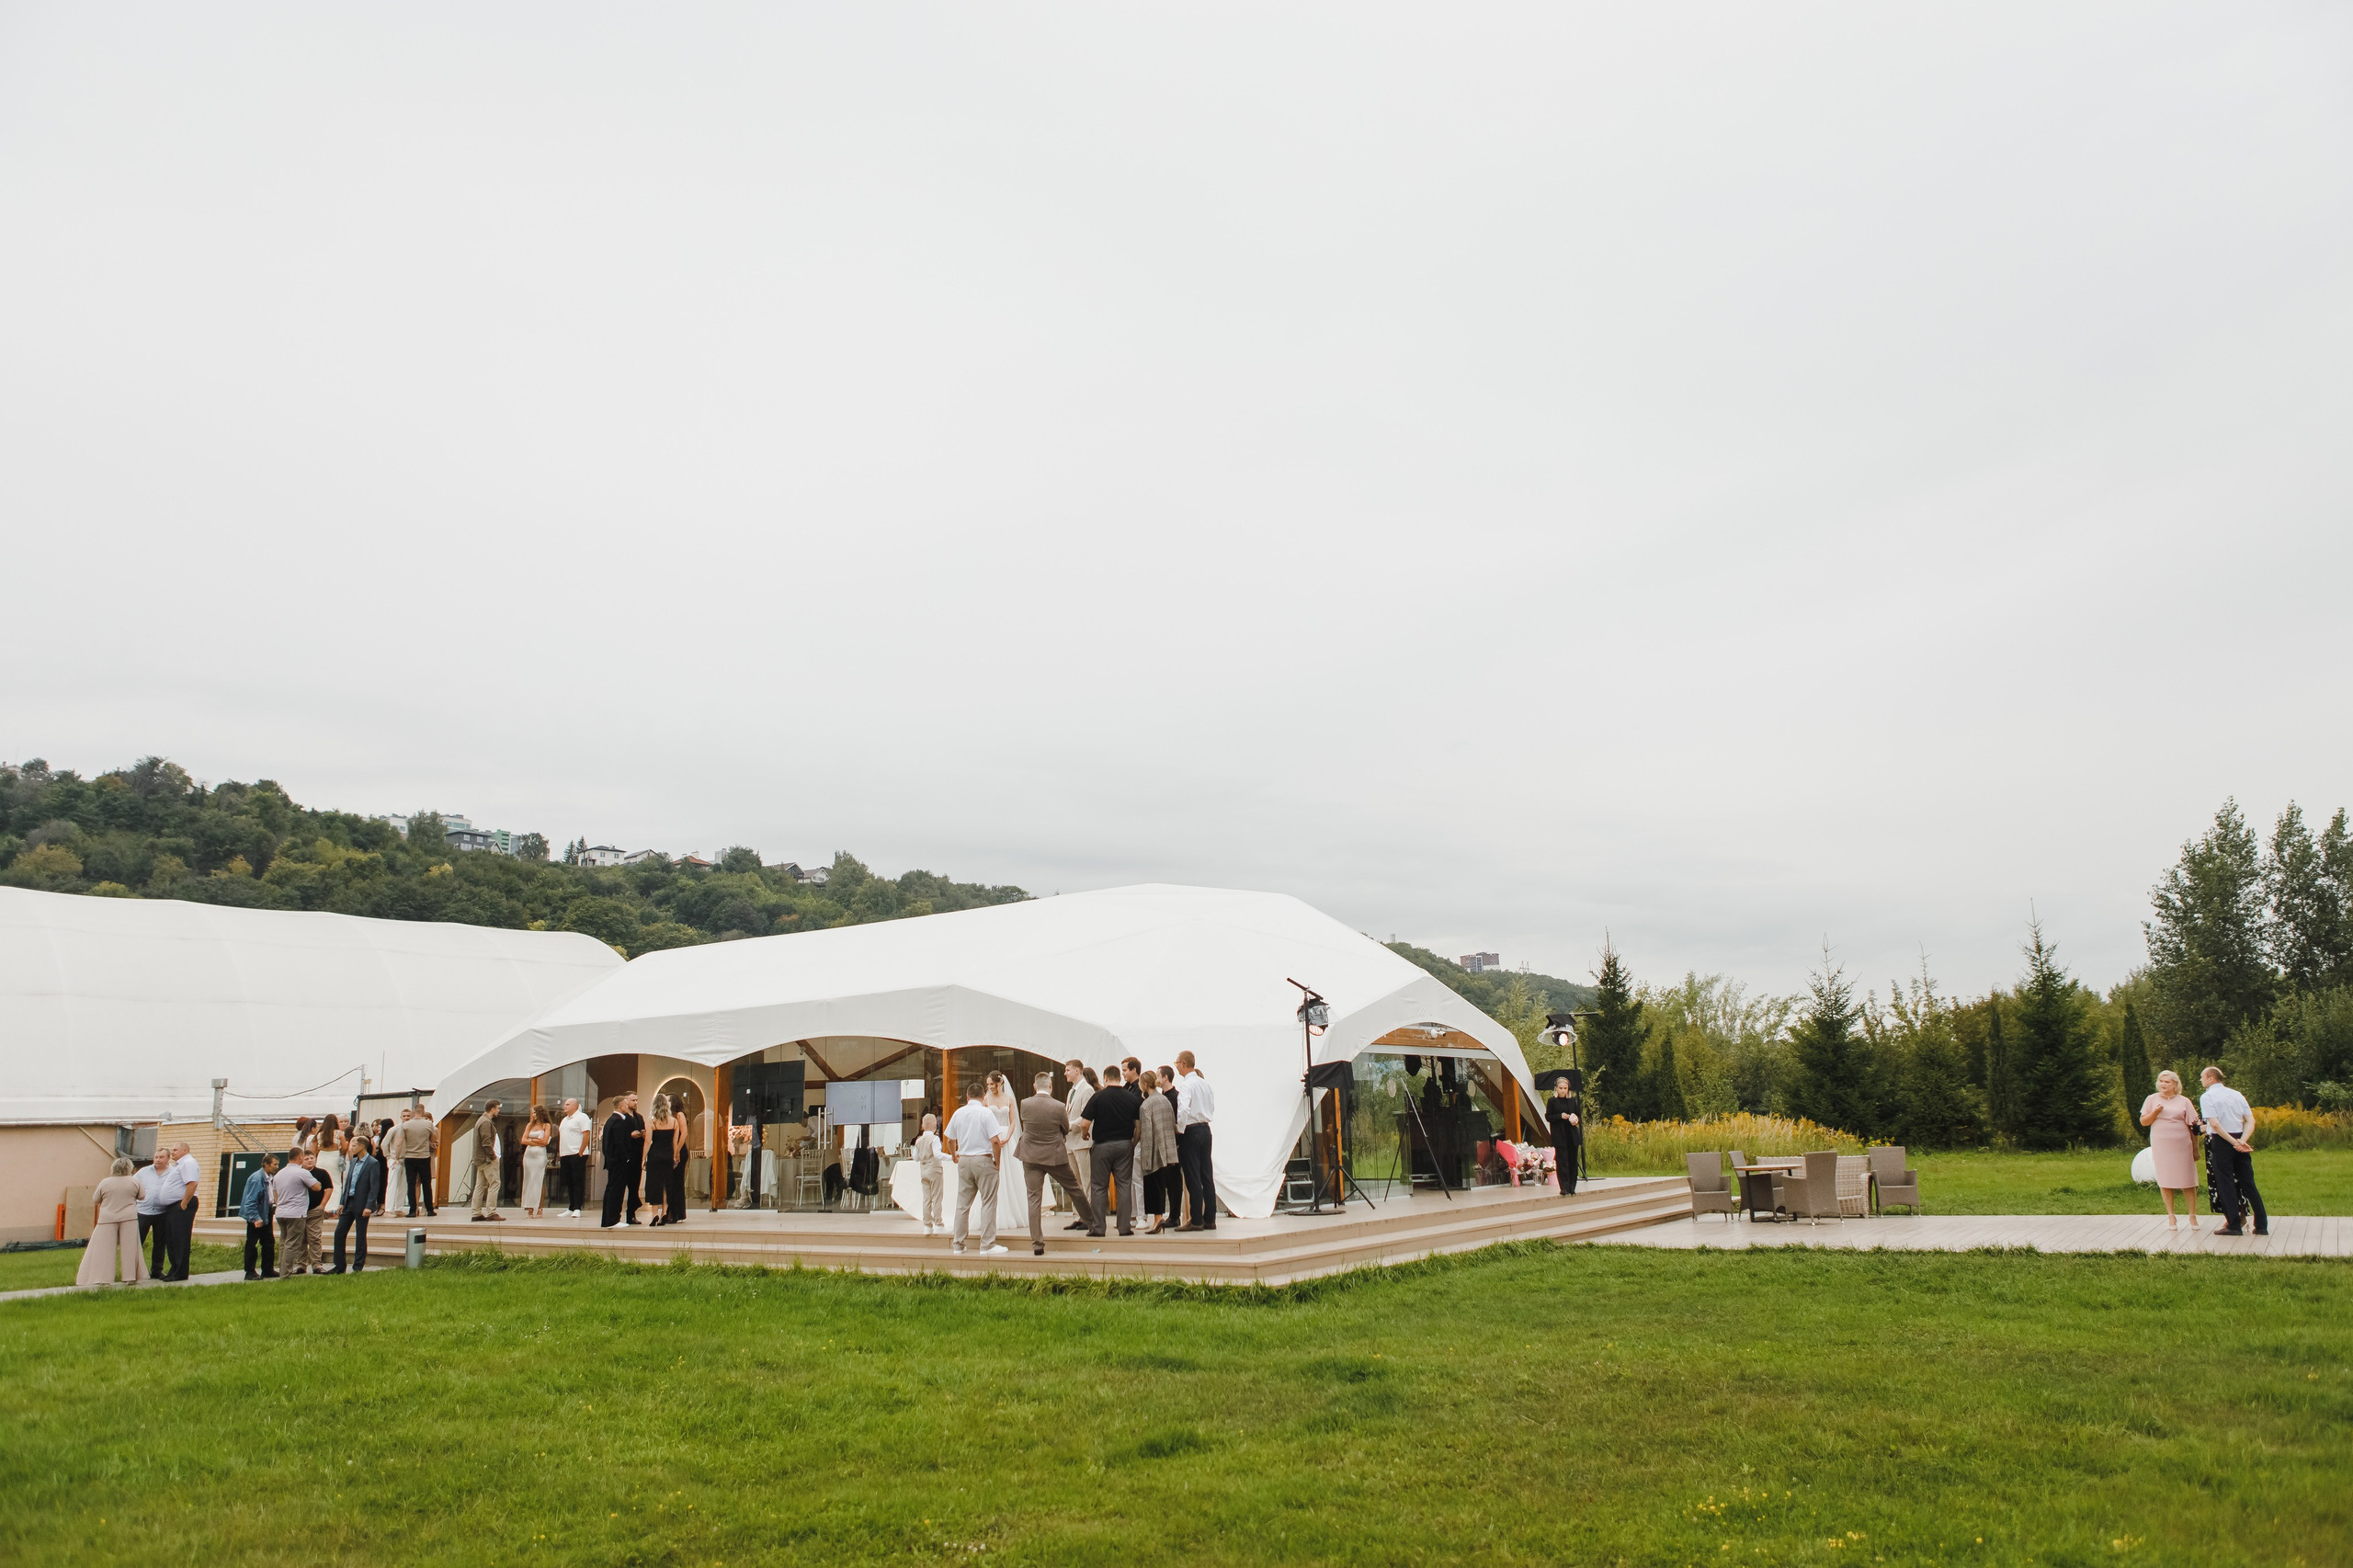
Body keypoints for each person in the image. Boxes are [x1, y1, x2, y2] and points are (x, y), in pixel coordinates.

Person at [1015, 1071, 1097, 1255]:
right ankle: (1093, 1223)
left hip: (1030, 1157)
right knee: (1075, 1189)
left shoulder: (1025, 1104)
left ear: (1034, 1087)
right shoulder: (1059, 1106)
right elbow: (1066, 1128)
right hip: (1055, 1156)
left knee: (1034, 1199)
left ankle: (1037, 1244)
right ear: (1050, 1086)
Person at [2199, 1066, 2267, 1236]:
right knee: (2248, 1182)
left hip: (2222, 1140)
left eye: (2202, 1077)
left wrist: (2232, 1142)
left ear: (2211, 1078)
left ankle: (2234, 1224)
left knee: (2225, 1182)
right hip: (2239, 1137)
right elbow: (2250, 1120)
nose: (2201, 1080)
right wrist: (2242, 1141)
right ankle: (2261, 1224)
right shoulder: (2236, 1094)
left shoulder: (2207, 1097)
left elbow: (2214, 1124)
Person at [943, 1080, 1007, 1256]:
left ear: (967, 1096)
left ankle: (959, 1244)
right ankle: (987, 1244)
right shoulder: (986, 1113)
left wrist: (954, 1154)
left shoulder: (958, 1113)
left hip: (964, 1160)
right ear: (983, 1097)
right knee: (988, 1202)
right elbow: (995, 1140)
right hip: (983, 1159)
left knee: (962, 1204)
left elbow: (949, 1138)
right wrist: (997, 1161)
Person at [1079, 1064, 1143, 1238]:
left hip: (1102, 1146)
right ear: (1119, 1078)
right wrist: (1132, 1142)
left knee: (1099, 1187)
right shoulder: (1131, 1098)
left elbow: (1084, 1123)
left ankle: (1099, 1228)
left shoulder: (1098, 1097)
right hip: (1124, 1145)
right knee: (1124, 1185)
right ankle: (1124, 1228)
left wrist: (1085, 1135)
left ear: (1105, 1078)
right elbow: (1138, 1126)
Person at [2138, 1070, 2205, 1230]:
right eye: (2161, 1081)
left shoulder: (2184, 1101)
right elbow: (2144, 1122)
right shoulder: (2151, 1099)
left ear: (2175, 1084)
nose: (2163, 1084)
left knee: (2187, 1181)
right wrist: (2155, 1112)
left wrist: (2195, 1149)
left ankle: (2192, 1216)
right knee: (2165, 1180)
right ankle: (2171, 1216)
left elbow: (2193, 1126)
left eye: (2167, 1082)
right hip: (2162, 1145)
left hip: (2182, 1145)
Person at [77, 1156, 150, 1287]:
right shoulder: (134, 1181)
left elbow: (96, 1199)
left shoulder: (105, 1182)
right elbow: (142, 1196)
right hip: (129, 1217)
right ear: (129, 1168)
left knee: (105, 1249)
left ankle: (104, 1279)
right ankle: (131, 1277)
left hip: (107, 1218)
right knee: (131, 1247)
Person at [1133, 1068, 1182, 1234]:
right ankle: (1159, 1219)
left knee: (1153, 1186)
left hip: (1153, 1149)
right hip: (1168, 1148)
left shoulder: (1146, 1104)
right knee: (1165, 1185)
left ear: (1144, 1084)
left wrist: (1141, 1153)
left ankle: (1157, 1219)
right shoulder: (1165, 1100)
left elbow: (1146, 1132)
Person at [1174, 1051, 1218, 1231]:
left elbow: (1183, 1110)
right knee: (1207, 1175)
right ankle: (1210, 1219)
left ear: (1183, 1064)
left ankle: (1196, 1219)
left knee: (1193, 1176)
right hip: (1205, 1129)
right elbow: (1212, 1106)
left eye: (1177, 1062)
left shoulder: (1186, 1085)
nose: (1176, 1065)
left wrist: (1180, 1130)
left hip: (1191, 1130)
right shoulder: (1205, 1084)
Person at [332, 1136, 385, 1272]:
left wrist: (369, 1205)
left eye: (354, 1146)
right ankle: (339, 1266)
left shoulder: (373, 1163)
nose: (351, 1148)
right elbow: (348, 1182)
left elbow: (374, 1186)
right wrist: (342, 1202)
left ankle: (358, 1266)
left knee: (360, 1235)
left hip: (362, 1203)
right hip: (349, 1201)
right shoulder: (354, 1161)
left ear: (362, 1146)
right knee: (339, 1233)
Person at [599, 1092, 646, 1229]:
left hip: (613, 1162)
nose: (628, 1106)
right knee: (616, 1192)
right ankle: (613, 1219)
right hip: (619, 1163)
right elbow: (620, 1143)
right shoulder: (619, 1121)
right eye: (626, 1104)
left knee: (611, 1190)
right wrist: (626, 1158)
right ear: (621, 1105)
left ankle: (607, 1219)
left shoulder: (610, 1120)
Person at [155, 1142, 200, 1280]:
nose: (172, 1152)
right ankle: (174, 1270)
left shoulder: (188, 1163)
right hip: (173, 1206)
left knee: (180, 1239)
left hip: (182, 1205)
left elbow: (192, 1183)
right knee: (172, 1239)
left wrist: (184, 1203)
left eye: (175, 1150)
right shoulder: (180, 1165)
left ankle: (180, 1273)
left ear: (185, 1150)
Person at [271, 1152, 322, 1274]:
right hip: (296, 1213)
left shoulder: (279, 1174)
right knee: (292, 1244)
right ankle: (286, 1273)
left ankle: (281, 1268)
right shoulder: (302, 1172)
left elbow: (275, 1194)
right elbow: (317, 1187)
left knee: (284, 1241)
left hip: (281, 1213)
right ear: (299, 1157)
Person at [1062, 1060, 1097, 1229]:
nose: (1065, 1073)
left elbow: (1086, 1116)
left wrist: (1067, 1126)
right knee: (1075, 1182)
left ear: (1077, 1070)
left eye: (1068, 1070)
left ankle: (1088, 1217)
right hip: (1070, 1143)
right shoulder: (1071, 1092)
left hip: (1082, 1142)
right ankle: (1078, 1215)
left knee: (1086, 1180)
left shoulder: (1087, 1090)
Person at [239, 1153, 281, 1279]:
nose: (277, 1167)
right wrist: (255, 1217)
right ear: (266, 1164)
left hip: (266, 1211)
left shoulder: (269, 1177)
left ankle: (267, 1269)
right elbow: (251, 1200)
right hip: (256, 1214)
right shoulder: (257, 1178)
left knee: (268, 1242)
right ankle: (250, 1272)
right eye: (274, 1164)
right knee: (252, 1243)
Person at [647, 1094, 687, 1227]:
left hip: (656, 1155)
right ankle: (665, 1213)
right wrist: (675, 1154)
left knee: (656, 1185)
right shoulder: (673, 1121)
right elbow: (674, 1141)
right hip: (668, 1154)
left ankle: (656, 1214)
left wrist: (643, 1158)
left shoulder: (652, 1121)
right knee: (667, 1185)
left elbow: (648, 1142)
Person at [134, 1148, 174, 1279]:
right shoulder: (143, 1172)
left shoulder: (173, 1172)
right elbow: (133, 1186)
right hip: (142, 1212)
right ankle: (134, 1270)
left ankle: (157, 1270)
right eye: (156, 1157)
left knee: (160, 1243)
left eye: (161, 1157)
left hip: (162, 1212)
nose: (157, 1160)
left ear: (168, 1158)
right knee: (137, 1242)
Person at [395, 1107, 438, 1218]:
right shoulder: (428, 1124)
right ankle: (429, 1209)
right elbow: (433, 1139)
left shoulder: (405, 1125)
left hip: (410, 1157)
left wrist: (396, 1156)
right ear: (423, 1112)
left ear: (413, 1112)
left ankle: (413, 1210)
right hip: (424, 1156)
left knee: (411, 1184)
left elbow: (399, 1142)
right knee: (426, 1184)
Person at [1546, 1075, 1583, 1197]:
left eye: (1565, 1088)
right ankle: (1564, 1187)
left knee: (1572, 1161)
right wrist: (1560, 1116)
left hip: (1572, 1135)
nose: (1562, 1090)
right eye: (1560, 1088)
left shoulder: (1572, 1101)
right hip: (1559, 1136)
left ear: (1568, 1089)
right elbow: (1548, 1117)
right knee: (1562, 1162)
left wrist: (1575, 1119)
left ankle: (1572, 1186)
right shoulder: (1552, 1101)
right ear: (1556, 1088)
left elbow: (1578, 1115)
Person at [300, 1147, 335, 1272]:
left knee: (314, 1237)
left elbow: (329, 1188)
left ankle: (317, 1264)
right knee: (301, 1238)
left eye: (312, 1158)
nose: (310, 1161)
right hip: (299, 1211)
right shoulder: (298, 1173)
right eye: (306, 1159)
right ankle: (301, 1265)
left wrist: (322, 1205)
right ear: (301, 1160)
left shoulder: (322, 1173)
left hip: (315, 1210)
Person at [469, 1100, 506, 1221]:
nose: (498, 1111)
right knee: (494, 1184)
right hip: (487, 1159)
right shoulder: (485, 1122)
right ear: (492, 1109)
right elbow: (486, 1142)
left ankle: (476, 1212)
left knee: (480, 1185)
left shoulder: (481, 1120)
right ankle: (491, 1212)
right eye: (497, 1108)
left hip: (481, 1159)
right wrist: (493, 1156)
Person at [558, 1096, 593, 1218]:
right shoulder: (564, 1120)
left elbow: (586, 1134)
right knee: (568, 1180)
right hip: (565, 1154)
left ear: (575, 1106)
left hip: (576, 1153)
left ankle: (578, 1207)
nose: (565, 1106)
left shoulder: (582, 1117)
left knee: (578, 1180)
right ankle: (571, 1206)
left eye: (567, 1104)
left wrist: (581, 1151)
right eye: (565, 1104)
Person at [911, 1113, 945, 1234]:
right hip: (935, 1170)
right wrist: (951, 1157)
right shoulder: (935, 1139)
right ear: (935, 1126)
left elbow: (915, 1157)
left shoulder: (918, 1140)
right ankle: (938, 1223)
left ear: (922, 1126)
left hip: (924, 1171)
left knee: (926, 1198)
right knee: (937, 1197)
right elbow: (938, 1155)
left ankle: (927, 1225)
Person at [519, 1106, 553, 1217]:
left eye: (534, 1113)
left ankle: (540, 1207)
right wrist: (536, 1141)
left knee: (538, 1180)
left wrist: (531, 1140)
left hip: (539, 1155)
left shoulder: (546, 1125)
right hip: (529, 1155)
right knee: (529, 1180)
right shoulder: (530, 1125)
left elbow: (545, 1142)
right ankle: (529, 1206)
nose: (533, 1115)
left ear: (540, 1113)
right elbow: (523, 1140)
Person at [317, 1114, 347, 1215]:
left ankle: (323, 1205)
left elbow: (315, 1148)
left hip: (322, 1157)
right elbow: (345, 1147)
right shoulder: (339, 1133)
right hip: (334, 1157)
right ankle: (333, 1207)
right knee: (336, 1183)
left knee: (323, 1182)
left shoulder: (320, 1134)